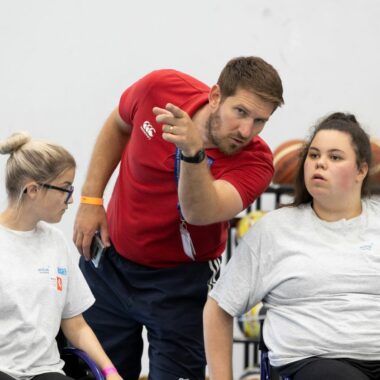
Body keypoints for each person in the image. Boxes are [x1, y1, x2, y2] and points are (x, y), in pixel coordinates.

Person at [73, 56, 284, 380]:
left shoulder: (256, 161)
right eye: (240, 112)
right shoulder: (161, 89)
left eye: (260, 121)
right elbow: (119, 124)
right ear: (215, 96)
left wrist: (192, 153)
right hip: (111, 264)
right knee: (97, 374)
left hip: (181, 285)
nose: (246, 130)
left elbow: (200, 213)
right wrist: (90, 198)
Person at [203, 112, 380, 380]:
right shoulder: (274, 229)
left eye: (334, 157)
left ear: (361, 170)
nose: (320, 163)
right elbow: (218, 307)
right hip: (313, 363)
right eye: (314, 155)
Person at [0, 132, 122, 380]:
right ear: (32, 190)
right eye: (65, 189)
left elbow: (75, 324)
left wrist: (110, 371)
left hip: (46, 371)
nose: (71, 199)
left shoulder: (55, 243)